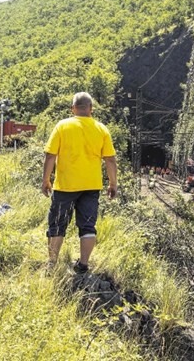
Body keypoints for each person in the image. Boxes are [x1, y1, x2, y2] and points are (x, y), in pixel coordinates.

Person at [41, 92, 118, 274]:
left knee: (57, 224)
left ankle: (52, 264)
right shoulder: (101, 129)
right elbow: (110, 160)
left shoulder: (62, 126)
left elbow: (50, 155)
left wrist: (46, 179)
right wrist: (113, 184)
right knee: (88, 226)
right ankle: (83, 265)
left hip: (65, 186)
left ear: (73, 109)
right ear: (91, 109)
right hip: (91, 186)